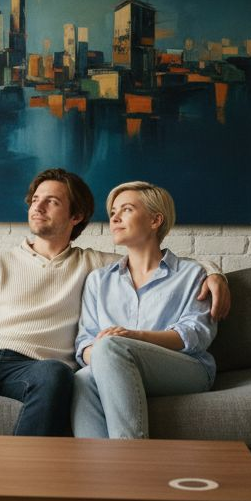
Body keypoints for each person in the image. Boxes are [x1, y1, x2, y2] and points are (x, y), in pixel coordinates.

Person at [0, 168, 229, 437]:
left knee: (58, 375)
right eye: (35, 199)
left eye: (52, 201)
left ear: (76, 217)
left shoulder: (96, 266)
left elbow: (151, 259)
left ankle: (23, 495)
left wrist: (215, 273)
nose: (37, 206)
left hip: (34, 369)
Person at [72, 182, 217, 440]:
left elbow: (196, 334)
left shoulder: (192, 274)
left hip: (185, 368)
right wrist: (108, 355)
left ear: (155, 220)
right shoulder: (98, 280)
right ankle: (99, 473)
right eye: (113, 212)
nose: (114, 218)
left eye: (126, 209)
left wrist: (131, 338)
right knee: (82, 378)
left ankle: (131, 461)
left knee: (110, 347)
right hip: (113, 363)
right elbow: (85, 342)